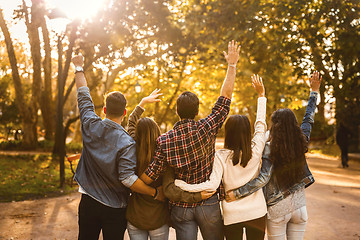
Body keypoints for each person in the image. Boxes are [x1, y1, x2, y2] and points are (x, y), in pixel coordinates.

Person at [140, 40, 241, 240]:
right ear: (197, 111)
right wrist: (232, 65)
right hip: (208, 203)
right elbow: (226, 96)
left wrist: (130, 182)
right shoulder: (207, 127)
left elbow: (150, 176)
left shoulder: (164, 141)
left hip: (181, 208)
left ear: (177, 112)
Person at [72, 55, 164, 240]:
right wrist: (154, 193)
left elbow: (82, 92)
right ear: (124, 112)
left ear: (104, 110)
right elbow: (127, 178)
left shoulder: (90, 123)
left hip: (88, 201)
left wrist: (79, 66)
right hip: (115, 208)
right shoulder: (127, 143)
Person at [225, 71, 322, 240]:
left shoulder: (269, 148)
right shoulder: (301, 141)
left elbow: (263, 179)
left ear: (274, 126)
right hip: (299, 208)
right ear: (293, 124)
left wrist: (237, 193)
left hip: (278, 209)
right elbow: (308, 119)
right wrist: (314, 91)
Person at [174, 75, 267, 239]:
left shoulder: (221, 156)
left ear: (228, 133)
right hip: (257, 212)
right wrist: (261, 96)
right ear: (247, 132)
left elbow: (211, 186)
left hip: (232, 214)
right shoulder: (256, 148)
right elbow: (261, 124)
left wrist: (183, 185)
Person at [125, 89, 215, 240]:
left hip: (135, 216)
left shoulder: (133, 147)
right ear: (157, 132)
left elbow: (131, 123)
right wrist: (197, 196)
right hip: (158, 218)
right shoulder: (164, 154)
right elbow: (170, 190)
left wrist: (142, 103)